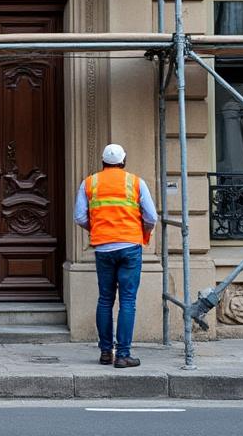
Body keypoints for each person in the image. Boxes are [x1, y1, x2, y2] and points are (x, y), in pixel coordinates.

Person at [74, 144, 157, 369]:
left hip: (103, 248)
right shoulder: (136, 182)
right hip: (130, 245)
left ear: (102, 162)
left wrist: (98, 227)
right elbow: (151, 216)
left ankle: (104, 352)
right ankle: (122, 355)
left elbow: (80, 216)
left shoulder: (90, 182)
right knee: (127, 300)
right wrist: (143, 232)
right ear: (124, 161)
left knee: (105, 299)